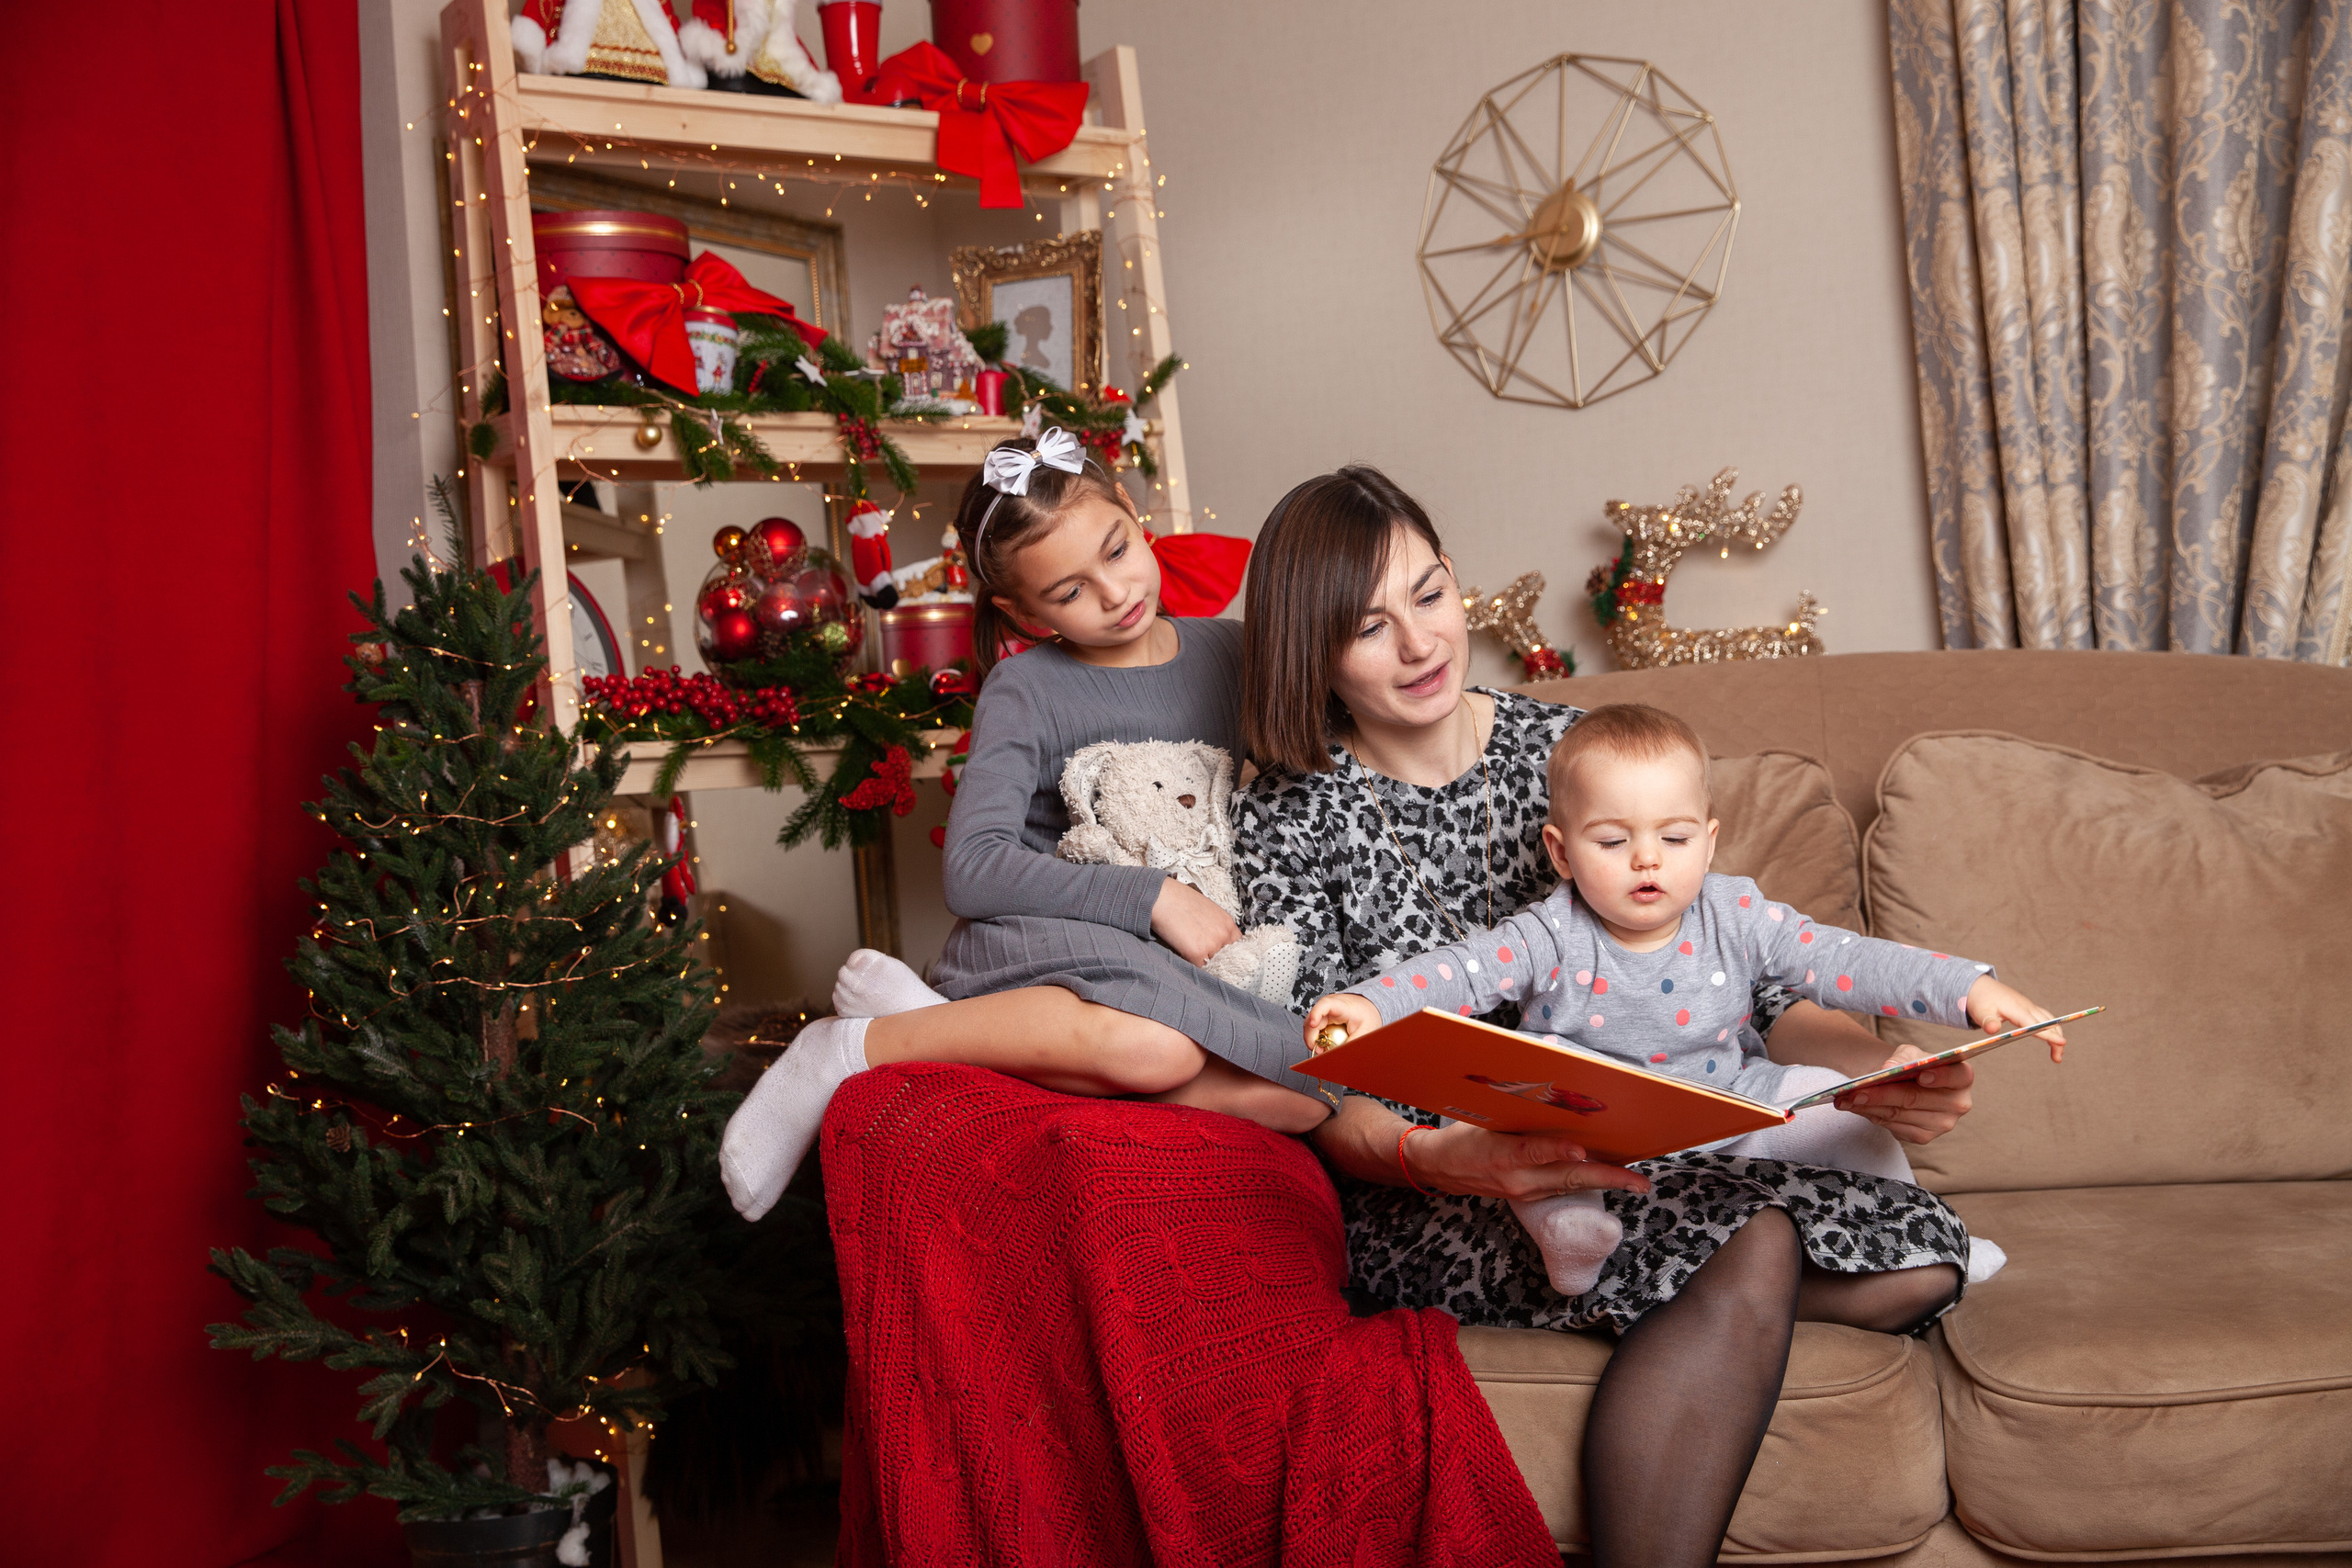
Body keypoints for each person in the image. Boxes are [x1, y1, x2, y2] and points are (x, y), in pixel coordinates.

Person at [1232, 465, 1984, 1568]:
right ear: (1312, 652)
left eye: (1430, 594)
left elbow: (1758, 989)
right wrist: (1448, 1157)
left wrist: (1872, 1070)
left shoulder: (1565, 751)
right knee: (1757, 1236)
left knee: (1925, 1259)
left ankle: (1704, 1284)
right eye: (1367, 626)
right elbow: (1310, 1080)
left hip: (1657, 1150)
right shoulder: (1288, 811)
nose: (1419, 643)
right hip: (1437, 1184)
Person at [718, 430, 1329, 1223]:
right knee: (1162, 1047)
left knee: (1309, 1099)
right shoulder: (1026, 688)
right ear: (1021, 610)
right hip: (1052, 940)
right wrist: (1153, 897)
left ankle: (936, 1025)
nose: (1113, 593)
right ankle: (848, 1047)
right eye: (1070, 591)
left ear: (1136, 515)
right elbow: (973, 867)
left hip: (1173, 960)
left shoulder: (1233, 651)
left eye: (1116, 549)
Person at [1302, 700, 2066, 1294]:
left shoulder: (1736, 913)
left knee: (1841, 1106)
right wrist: (1370, 1005)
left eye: (1672, 839)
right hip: (1594, 1136)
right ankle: (1570, 1231)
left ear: (1708, 841)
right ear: (1562, 853)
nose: (1645, 859)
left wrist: (1967, 988)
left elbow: (1845, 960)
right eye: (1612, 841)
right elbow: (1454, 972)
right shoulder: (1546, 933)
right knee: (1504, 1116)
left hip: (1732, 1106)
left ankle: (1936, 1237)